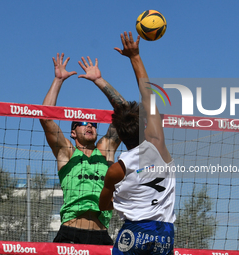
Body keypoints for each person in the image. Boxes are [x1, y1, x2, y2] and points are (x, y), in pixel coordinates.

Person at [99, 31, 176, 254]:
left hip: (134, 231)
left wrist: (126, 203)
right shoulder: (157, 145)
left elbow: (103, 206)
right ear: (144, 127)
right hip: (164, 233)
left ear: (120, 136)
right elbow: (148, 96)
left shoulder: (115, 170)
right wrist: (135, 56)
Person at [40, 53, 127, 244]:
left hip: (100, 235)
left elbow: (126, 113)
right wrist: (58, 80)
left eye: (94, 123)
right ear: (73, 132)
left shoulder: (105, 150)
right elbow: (46, 118)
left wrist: (99, 80)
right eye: (83, 122)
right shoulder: (67, 153)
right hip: (70, 232)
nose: (90, 125)